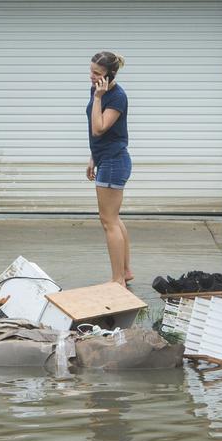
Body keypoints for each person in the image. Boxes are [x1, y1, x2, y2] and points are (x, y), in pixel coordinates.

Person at [86, 51, 133, 287]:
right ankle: (125, 270)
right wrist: (93, 157)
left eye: (97, 73)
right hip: (106, 159)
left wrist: (97, 98)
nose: (91, 76)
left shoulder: (116, 97)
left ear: (110, 75)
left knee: (108, 221)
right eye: (91, 70)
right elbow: (96, 133)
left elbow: (99, 128)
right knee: (113, 219)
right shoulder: (98, 90)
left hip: (115, 162)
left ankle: (118, 280)